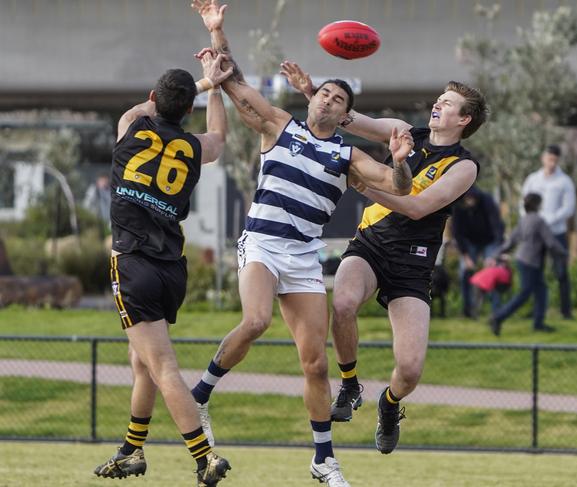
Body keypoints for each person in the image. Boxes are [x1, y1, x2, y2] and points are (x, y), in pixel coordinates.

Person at [189, 2, 413, 486]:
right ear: (309, 98)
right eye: (324, 93)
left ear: (344, 112)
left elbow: (398, 187)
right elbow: (233, 82)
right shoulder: (279, 126)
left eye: (337, 99)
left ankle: (322, 460)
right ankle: (201, 392)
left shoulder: (346, 153)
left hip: (303, 256)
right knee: (256, 320)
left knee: (314, 362)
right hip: (264, 243)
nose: (328, 101)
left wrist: (399, 159)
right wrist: (218, 32)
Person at [281, 61, 488, 454]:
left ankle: (389, 404)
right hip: (372, 244)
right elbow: (350, 120)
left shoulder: (464, 167)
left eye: (448, 103)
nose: (437, 106)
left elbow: (417, 207)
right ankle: (350, 384)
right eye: (439, 99)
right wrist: (313, 93)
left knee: (409, 370)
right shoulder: (407, 132)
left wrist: (360, 183)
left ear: (464, 118)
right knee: (341, 302)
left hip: (412, 263)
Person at [94, 51, 234, 487]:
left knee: (162, 366)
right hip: (171, 269)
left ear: (154, 97)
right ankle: (131, 450)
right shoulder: (194, 147)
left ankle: (204, 457)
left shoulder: (131, 125)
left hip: (134, 262)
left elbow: (145, 108)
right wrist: (214, 87)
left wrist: (203, 82)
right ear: (188, 108)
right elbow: (218, 136)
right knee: (143, 363)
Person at [488, 193, 568, 336]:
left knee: (541, 291)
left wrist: (495, 254)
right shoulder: (539, 221)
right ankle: (497, 317)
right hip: (531, 262)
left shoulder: (524, 220)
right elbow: (550, 242)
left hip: (523, 260)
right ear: (538, 205)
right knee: (524, 294)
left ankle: (538, 323)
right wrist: (563, 253)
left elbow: (511, 240)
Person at [521, 144, 576, 319]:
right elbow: (523, 203)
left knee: (561, 272)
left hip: (556, 233)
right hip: (536, 235)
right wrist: (532, 222)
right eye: (549, 159)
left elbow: (568, 208)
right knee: (535, 272)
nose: (551, 163)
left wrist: (548, 220)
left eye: (555, 160)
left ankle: (566, 311)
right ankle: (537, 311)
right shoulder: (533, 180)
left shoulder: (564, 181)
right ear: (543, 158)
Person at [451, 185, 504, 317]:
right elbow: (456, 233)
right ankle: (468, 310)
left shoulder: (487, 201)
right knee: (465, 272)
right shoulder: (458, 205)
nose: (470, 202)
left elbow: (497, 226)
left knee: (493, 272)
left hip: (490, 240)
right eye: (467, 199)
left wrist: (494, 254)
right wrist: (465, 256)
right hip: (469, 242)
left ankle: (496, 311)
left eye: (472, 198)